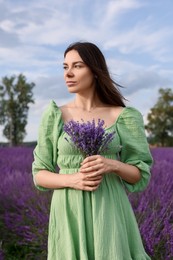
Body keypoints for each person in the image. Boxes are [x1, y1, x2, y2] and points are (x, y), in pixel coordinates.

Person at [32, 41, 153, 260]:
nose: (68, 73)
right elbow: (39, 174)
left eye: (77, 66)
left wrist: (113, 165)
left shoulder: (124, 116)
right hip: (68, 211)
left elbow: (140, 175)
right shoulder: (54, 116)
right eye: (65, 67)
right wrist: (73, 180)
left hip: (110, 209)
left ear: (95, 71)